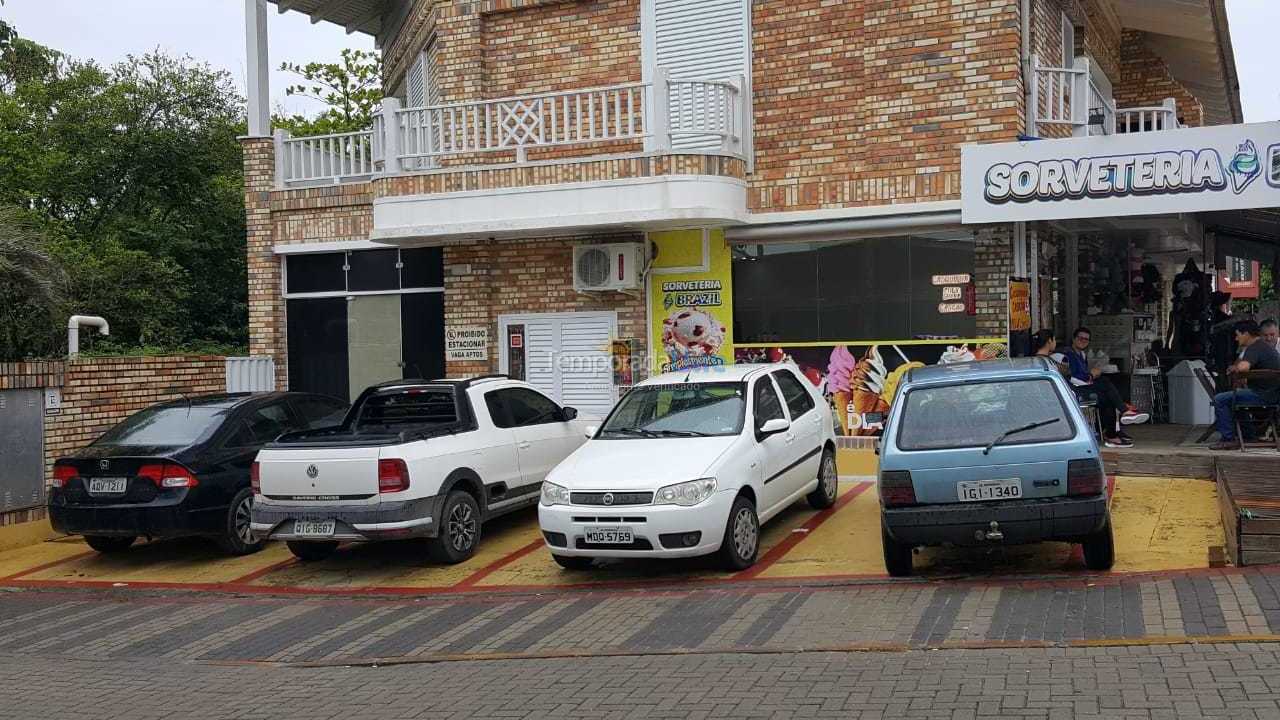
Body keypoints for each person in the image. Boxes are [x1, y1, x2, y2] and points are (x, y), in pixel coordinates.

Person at [1052, 327, 1149, 449]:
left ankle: (1112, 434)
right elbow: (1073, 376)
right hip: (1074, 389)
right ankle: (1123, 412)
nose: (1083, 341)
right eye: (1080, 338)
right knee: (1105, 383)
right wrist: (1091, 375)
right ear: (1074, 339)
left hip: (1082, 386)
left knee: (1107, 398)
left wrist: (1090, 376)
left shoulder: (1082, 355)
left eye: (1086, 339)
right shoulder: (1068, 354)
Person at [1209, 319, 1280, 450]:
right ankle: (1249, 436)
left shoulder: (1255, 347)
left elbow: (1243, 367)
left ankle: (1228, 439)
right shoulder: (1263, 346)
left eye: (1238, 335)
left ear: (1246, 334)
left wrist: (1234, 368)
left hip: (1263, 396)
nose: (1236, 339)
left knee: (1220, 399)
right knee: (1235, 399)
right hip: (1273, 395)